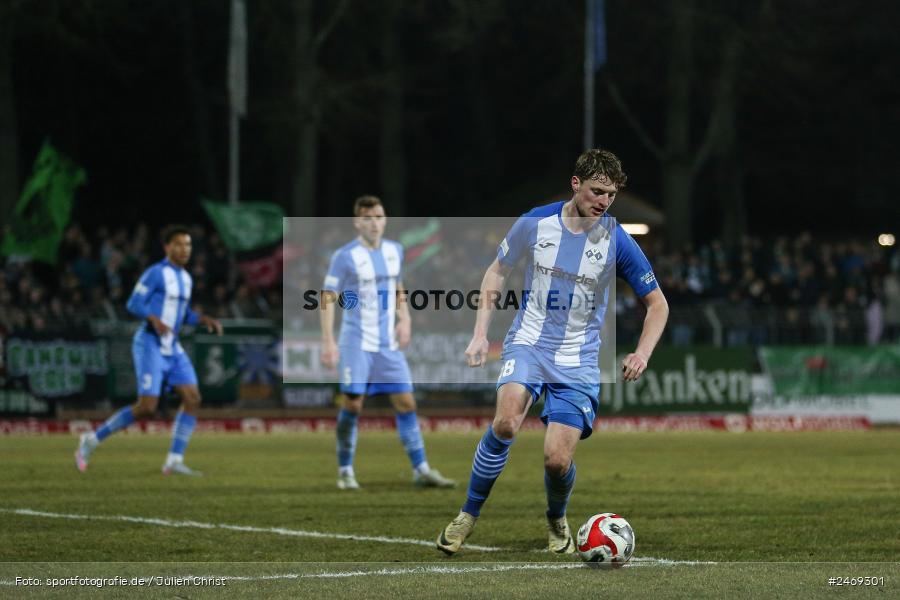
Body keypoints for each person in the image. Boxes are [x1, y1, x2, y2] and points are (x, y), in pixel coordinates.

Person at [436, 149, 668, 554]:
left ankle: (556, 517)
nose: (604, 201)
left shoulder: (617, 239)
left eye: (611, 195)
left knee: (557, 461)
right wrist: (479, 334)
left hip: (578, 360)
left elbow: (658, 304)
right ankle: (467, 516)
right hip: (528, 342)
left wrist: (642, 353)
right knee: (506, 423)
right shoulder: (535, 222)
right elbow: (497, 271)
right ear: (575, 184)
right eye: (597, 191)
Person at [320, 195, 455, 490]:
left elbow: (397, 286)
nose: (374, 223)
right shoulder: (345, 256)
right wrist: (329, 341)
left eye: (379, 217)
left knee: (406, 402)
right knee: (353, 406)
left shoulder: (395, 250)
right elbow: (327, 297)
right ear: (357, 222)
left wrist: (404, 319)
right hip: (356, 341)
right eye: (368, 218)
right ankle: (345, 470)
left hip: (387, 345)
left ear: (385, 220)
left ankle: (421, 469)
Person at [75, 225, 223, 475]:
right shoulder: (156, 273)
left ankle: (174, 460)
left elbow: (182, 314)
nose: (185, 249)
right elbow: (133, 303)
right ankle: (91, 440)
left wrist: (203, 319)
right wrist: (153, 318)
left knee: (193, 398)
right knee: (146, 407)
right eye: (179, 244)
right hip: (150, 343)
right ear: (167, 247)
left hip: (172, 347)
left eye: (188, 245)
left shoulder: (186, 278)